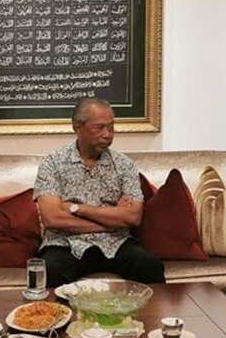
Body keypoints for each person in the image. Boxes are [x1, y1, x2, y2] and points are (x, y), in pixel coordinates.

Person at [34, 98, 165, 288]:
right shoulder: (52, 163)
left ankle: (152, 310)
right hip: (65, 243)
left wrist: (76, 208)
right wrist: (111, 220)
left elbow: (133, 217)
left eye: (111, 127)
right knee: (49, 270)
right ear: (77, 127)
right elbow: (52, 219)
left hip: (115, 242)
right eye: (100, 128)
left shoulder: (124, 165)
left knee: (150, 266)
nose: (107, 135)